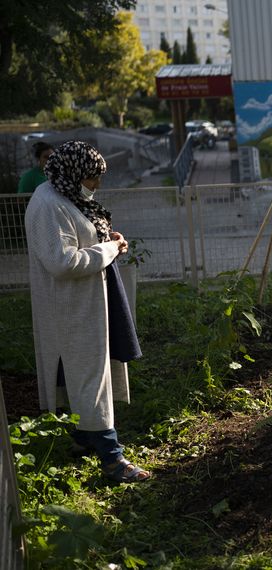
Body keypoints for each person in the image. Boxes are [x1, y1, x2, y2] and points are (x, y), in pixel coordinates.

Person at [25, 141, 149, 483]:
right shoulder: (49, 204)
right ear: (74, 173)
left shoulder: (62, 194)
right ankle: (112, 460)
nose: (96, 186)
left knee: (80, 372)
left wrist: (107, 238)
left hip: (84, 300)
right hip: (71, 306)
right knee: (89, 375)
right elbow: (62, 262)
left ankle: (81, 440)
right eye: (92, 178)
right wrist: (107, 248)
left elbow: (81, 236)